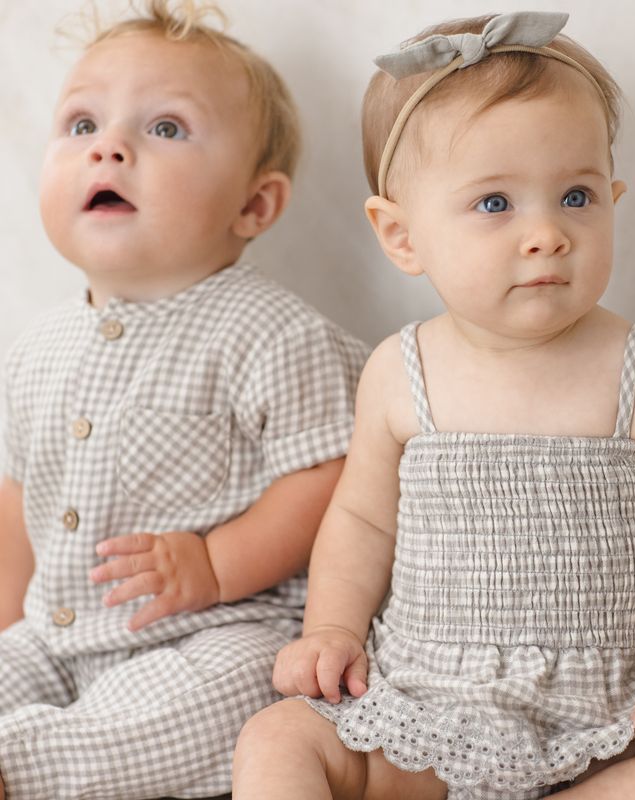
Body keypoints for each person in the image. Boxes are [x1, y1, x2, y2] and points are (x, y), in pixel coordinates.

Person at [232, 11, 635, 800]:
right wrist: (331, 631)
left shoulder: (630, 366)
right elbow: (361, 520)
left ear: (615, 200)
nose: (548, 233)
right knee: (278, 738)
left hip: (605, 720)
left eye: (578, 195)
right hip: (427, 710)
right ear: (401, 235)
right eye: (496, 204)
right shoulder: (400, 370)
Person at [0, 2, 369, 798]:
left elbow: (334, 475)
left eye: (165, 128)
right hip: (60, 632)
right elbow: (18, 501)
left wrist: (215, 562)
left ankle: (27, 767)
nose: (109, 146)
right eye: (81, 122)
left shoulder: (267, 332)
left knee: (213, 701)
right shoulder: (36, 347)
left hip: (221, 628)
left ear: (254, 206)